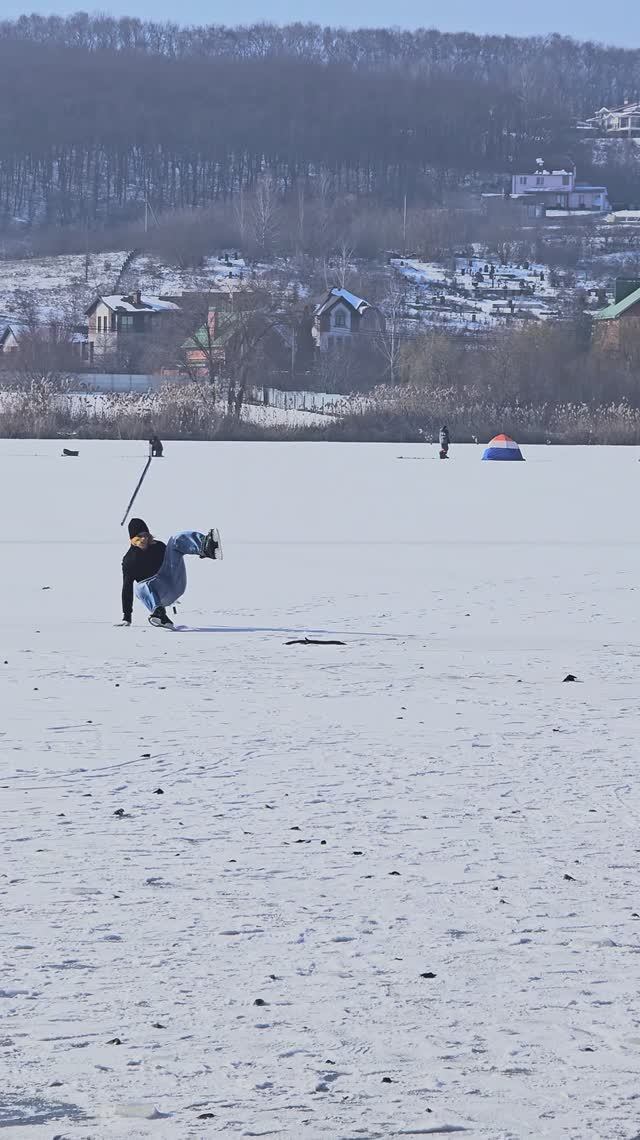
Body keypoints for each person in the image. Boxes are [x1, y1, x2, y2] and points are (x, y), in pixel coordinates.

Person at [120, 518, 220, 629]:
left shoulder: (158, 546)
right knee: (140, 588)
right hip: (160, 596)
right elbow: (127, 588)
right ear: (132, 539)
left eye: (146, 535)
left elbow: (172, 558)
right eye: (139, 536)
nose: (143, 539)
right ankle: (159, 614)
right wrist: (127, 617)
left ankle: (205, 547)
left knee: (175, 540)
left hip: (175, 581)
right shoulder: (129, 561)